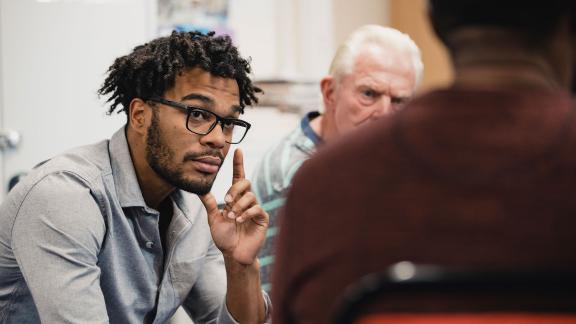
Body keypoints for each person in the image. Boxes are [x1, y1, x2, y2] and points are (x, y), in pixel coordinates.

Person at [272, 1, 576, 323]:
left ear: (434, 22)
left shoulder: (322, 183)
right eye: (368, 94)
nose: (382, 109)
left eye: (398, 99)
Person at [0, 31, 270, 324]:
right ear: (140, 115)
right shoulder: (64, 195)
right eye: (197, 114)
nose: (219, 139)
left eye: (228, 122)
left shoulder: (196, 211)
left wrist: (240, 266)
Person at [251, 25, 423, 290]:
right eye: (369, 94)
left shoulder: (374, 157)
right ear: (330, 93)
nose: (385, 114)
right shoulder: (298, 172)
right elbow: (273, 303)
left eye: (399, 101)